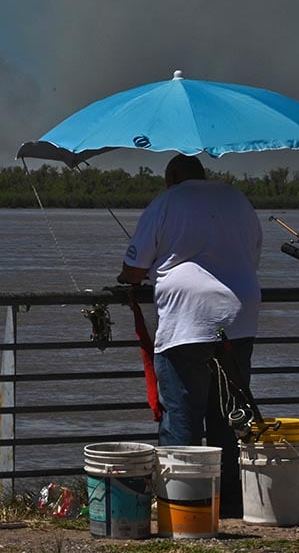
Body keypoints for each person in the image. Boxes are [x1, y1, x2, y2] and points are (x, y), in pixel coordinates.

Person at [117, 154, 262, 517]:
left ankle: (183, 503)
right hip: (239, 317)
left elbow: (134, 270)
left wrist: (130, 278)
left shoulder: (165, 202)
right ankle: (227, 500)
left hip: (187, 321)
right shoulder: (237, 198)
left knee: (181, 413)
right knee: (229, 413)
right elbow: (253, 255)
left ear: (172, 179)